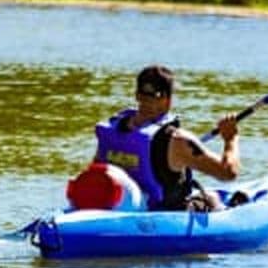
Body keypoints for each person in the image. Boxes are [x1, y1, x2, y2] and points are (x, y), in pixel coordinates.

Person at [93, 65, 240, 211]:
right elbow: (228, 173)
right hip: (164, 214)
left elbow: (94, 174)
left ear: (137, 95)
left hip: (115, 208)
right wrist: (230, 139)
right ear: (168, 99)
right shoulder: (177, 140)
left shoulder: (112, 129)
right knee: (211, 198)